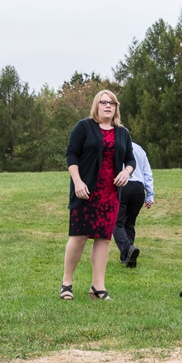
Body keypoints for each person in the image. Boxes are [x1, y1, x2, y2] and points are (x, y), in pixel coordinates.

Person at [61, 89, 136, 301]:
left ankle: (97, 287)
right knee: (79, 237)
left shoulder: (123, 132)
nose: (108, 106)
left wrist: (126, 172)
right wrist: (77, 182)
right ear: (97, 105)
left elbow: (131, 160)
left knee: (104, 239)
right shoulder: (84, 127)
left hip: (110, 194)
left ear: (116, 108)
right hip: (85, 191)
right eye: (104, 102)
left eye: (112, 103)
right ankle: (67, 283)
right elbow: (71, 155)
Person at [113, 141, 154, 268]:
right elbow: (147, 171)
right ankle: (127, 258)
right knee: (129, 223)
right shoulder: (139, 148)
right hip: (138, 188)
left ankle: (128, 248)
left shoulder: (115, 145)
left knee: (117, 223)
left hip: (122, 185)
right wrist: (150, 194)